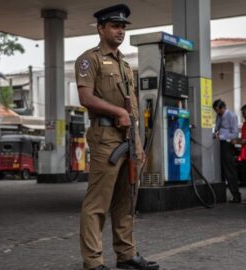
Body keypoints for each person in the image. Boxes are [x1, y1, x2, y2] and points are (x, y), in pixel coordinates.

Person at [75, 4, 159, 270]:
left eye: (123, 27)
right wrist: (117, 112)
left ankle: (126, 255)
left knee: (126, 201)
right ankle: (93, 262)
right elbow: (85, 98)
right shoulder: (90, 59)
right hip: (105, 137)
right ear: (101, 28)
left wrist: (137, 143)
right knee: (97, 203)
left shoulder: (124, 64)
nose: (120, 31)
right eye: (115, 26)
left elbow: (131, 110)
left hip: (127, 139)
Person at [213, 99, 241, 203]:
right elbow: (217, 128)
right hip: (219, 143)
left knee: (230, 170)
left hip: (227, 144)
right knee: (221, 170)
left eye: (218, 110)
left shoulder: (232, 116)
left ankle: (236, 194)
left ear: (223, 107)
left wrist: (222, 136)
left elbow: (235, 134)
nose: (217, 113)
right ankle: (222, 195)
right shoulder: (219, 116)